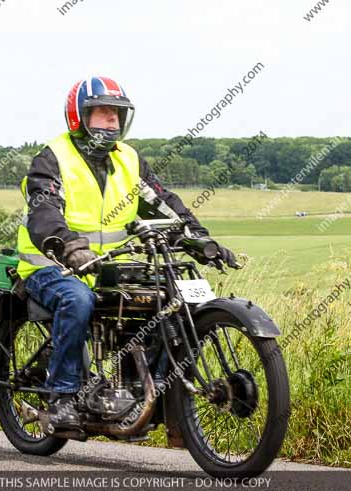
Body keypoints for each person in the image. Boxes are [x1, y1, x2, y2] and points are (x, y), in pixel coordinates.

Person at [15, 76, 240, 430]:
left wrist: (198, 239)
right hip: (53, 266)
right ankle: (61, 397)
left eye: (118, 114)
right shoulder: (53, 158)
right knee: (77, 301)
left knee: (167, 299)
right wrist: (69, 248)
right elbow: (44, 211)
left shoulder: (129, 161)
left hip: (107, 268)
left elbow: (162, 204)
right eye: (104, 112)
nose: (113, 121)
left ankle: (142, 391)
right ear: (79, 116)